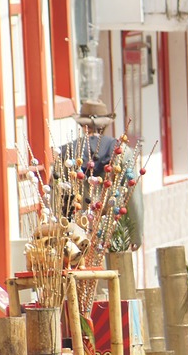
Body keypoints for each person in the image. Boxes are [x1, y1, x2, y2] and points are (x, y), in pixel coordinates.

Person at [60, 98, 144, 248]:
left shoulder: (67, 153)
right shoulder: (122, 152)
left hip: (77, 237)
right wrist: (136, 237)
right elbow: (133, 197)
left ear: (82, 124)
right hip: (114, 234)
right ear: (105, 125)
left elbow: (57, 196)